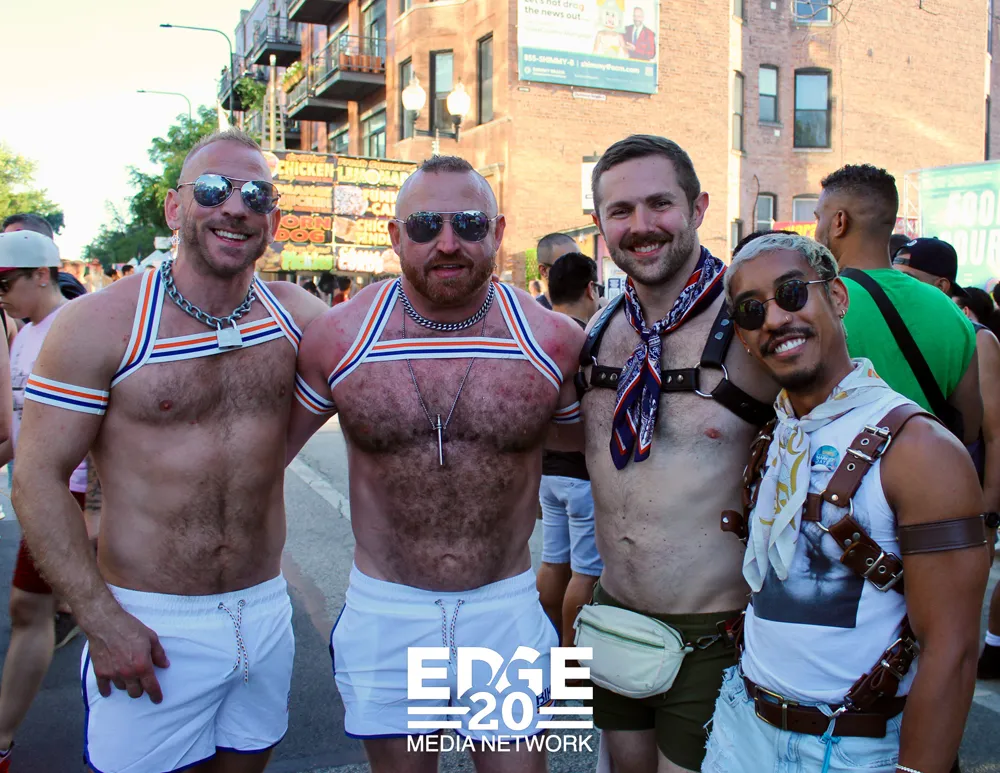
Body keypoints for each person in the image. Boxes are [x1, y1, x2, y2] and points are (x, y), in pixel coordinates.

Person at [11, 129, 327, 773]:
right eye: (212, 189)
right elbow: (37, 477)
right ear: (174, 207)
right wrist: (101, 619)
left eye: (256, 195)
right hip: (150, 622)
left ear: (273, 219)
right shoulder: (101, 324)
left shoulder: (299, 318)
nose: (235, 206)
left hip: (264, 614)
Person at [288, 155, 586, 773]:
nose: (447, 243)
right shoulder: (340, 339)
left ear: (497, 233)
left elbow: (607, 463)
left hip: (502, 609)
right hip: (387, 610)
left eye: (469, 224)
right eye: (426, 226)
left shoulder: (551, 341)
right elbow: (256, 459)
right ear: (396, 236)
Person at [703, 232, 990, 773]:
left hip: (854, 750)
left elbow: (952, 652)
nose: (774, 319)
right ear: (741, 335)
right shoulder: (775, 435)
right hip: (742, 729)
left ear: (837, 297)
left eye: (792, 293)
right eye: (751, 310)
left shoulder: (921, 450)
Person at [577, 135, 778, 773]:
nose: (641, 225)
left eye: (659, 204)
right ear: (601, 224)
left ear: (698, 208)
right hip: (614, 617)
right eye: (620, 210)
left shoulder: (757, 326)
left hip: (714, 633)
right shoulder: (597, 332)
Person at [813, 164, 982, 444]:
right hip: (931, 465)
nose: (817, 229)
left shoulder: (821, 304)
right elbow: (970, 427)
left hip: (844, 468)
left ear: (839, 222)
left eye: (819, 217)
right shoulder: (949, 310)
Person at [0, 231, 76, 767]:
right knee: (29, 609)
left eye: (5, 282)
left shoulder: (74, 327)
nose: (0, 294)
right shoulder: (24, 334)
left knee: (30, 610)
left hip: (69, 495)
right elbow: (17, 430)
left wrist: (94, 509)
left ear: (42, 275)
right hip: (39, 493)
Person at [536, 252, 603, 646]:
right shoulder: (584, 340)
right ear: (591, 289)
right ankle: (569, 658)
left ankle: (548, 647)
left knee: (552, 562)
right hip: (581, 474)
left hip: (548, 473)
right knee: (585, 574)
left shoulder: (539, 335)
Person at [534, 232, 578, 310]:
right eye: (567, 264)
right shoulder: (535, 312)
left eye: (580, 261)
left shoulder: (595, 306)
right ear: (544, 271)